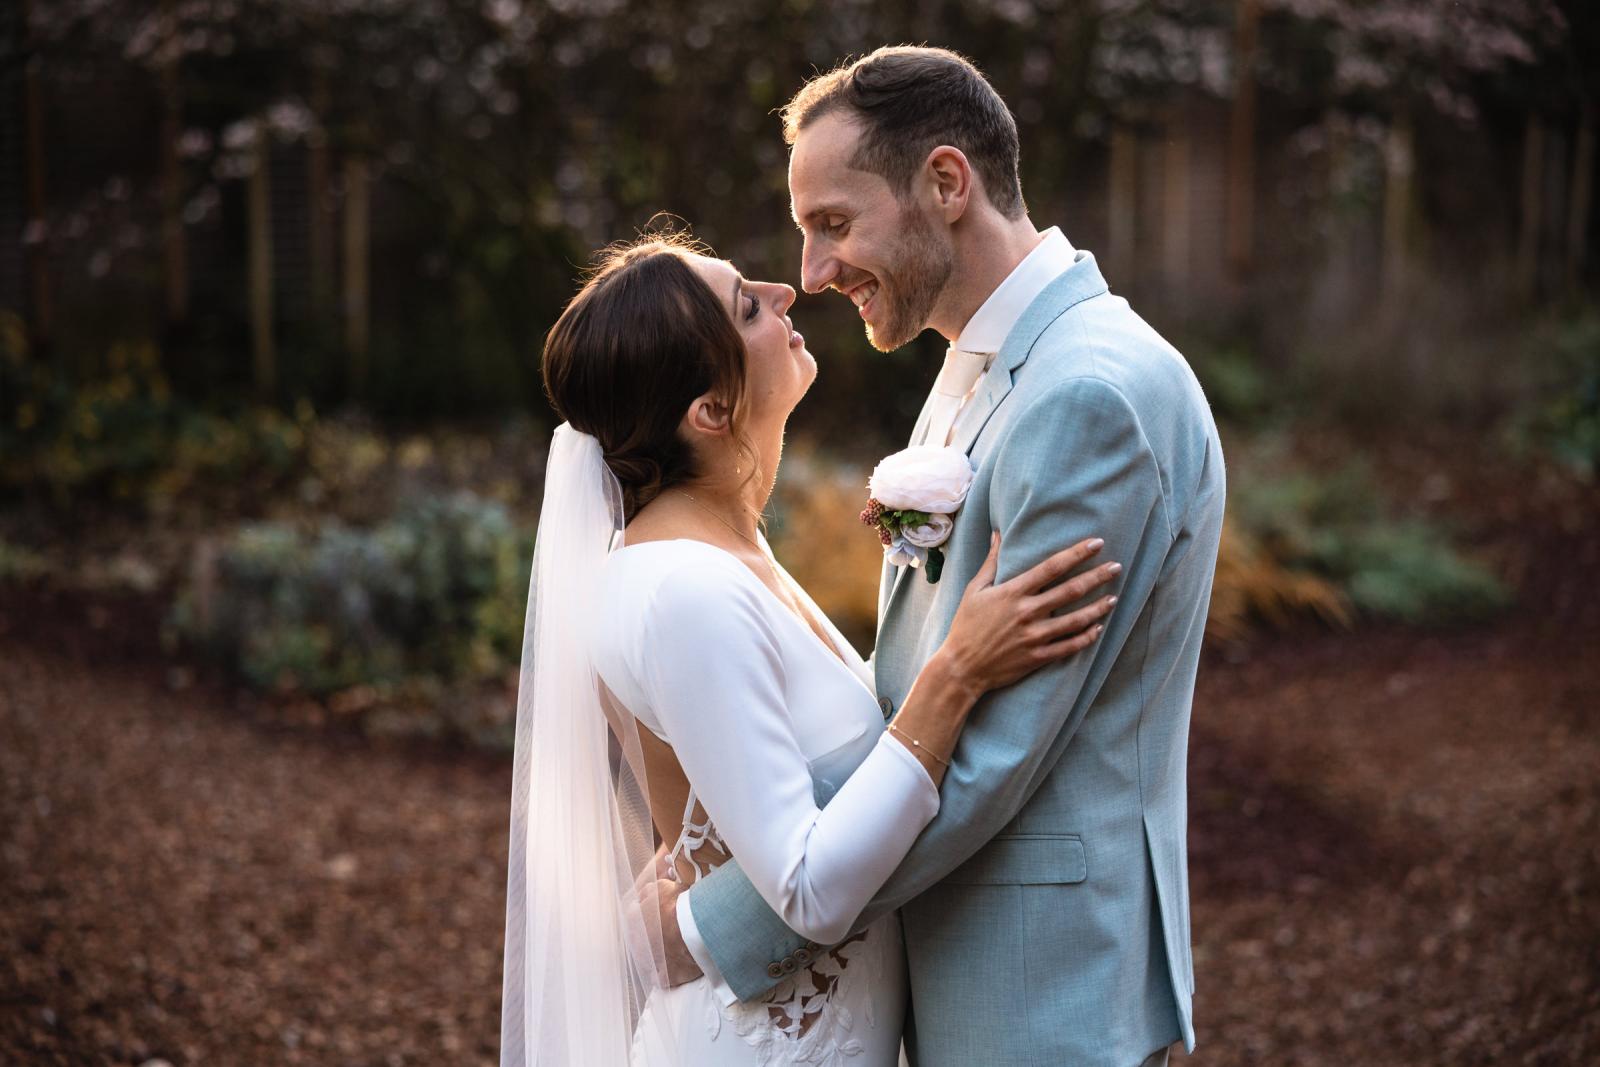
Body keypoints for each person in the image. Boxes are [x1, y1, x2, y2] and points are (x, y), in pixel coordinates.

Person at [663, 46, 1226, 1067]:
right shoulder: (981, 365)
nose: (811, 273)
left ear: (946, 182)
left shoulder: (1084, 397)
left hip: (1035, 998)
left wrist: (708, 925)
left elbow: (986, 758)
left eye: (833, 223)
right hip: (970, 979)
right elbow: (913, 690)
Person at [499, 230, 1120, 1067]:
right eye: (747, 305)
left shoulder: (725, 552)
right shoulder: (684, 591)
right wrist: (959, 671)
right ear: (711, 411)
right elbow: (807, 888)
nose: (786, 292)